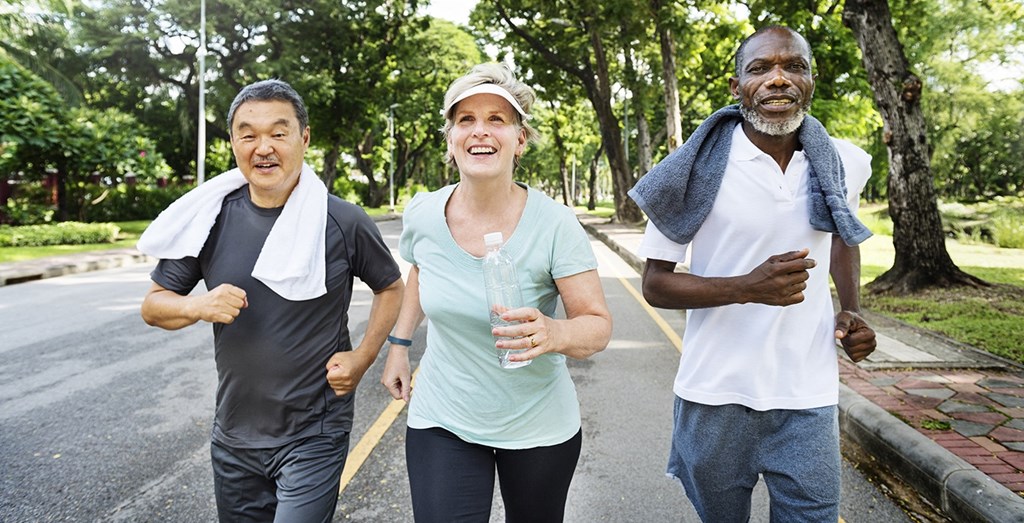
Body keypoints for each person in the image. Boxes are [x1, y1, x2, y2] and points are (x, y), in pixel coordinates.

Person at [628, 26, 878, 522]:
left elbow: (842, 236)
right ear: (736, 85)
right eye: (761, 68)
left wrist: (850, 308)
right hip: (715, 395)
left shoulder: (844, 161)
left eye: (794, 67)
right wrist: (746, 288)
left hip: (806, 393)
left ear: (811, 79)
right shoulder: (692, 170)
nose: (778, 79)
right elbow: (655, 284)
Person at [138, 79, 404, 522]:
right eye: (248, 134)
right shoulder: (209, 219)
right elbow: (153, 305)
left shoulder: (342, 220)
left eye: (278, 133)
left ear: (304, 138)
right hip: (234, 436)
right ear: (233, 143)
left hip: (314, 432)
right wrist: (195, 306)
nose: (263, 147)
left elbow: (391, 287)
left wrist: (363, 358)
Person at [380, 63, 612, 522]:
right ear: (450, 139)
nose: (479, 131)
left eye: (496, 119)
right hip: (443, 417)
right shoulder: (424, 212)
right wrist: (399, 346)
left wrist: (553, 333)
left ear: (519, 139)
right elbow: (421, 272)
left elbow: (597, 326)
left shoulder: (555, 224)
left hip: (537, 425)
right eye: (465, 119)